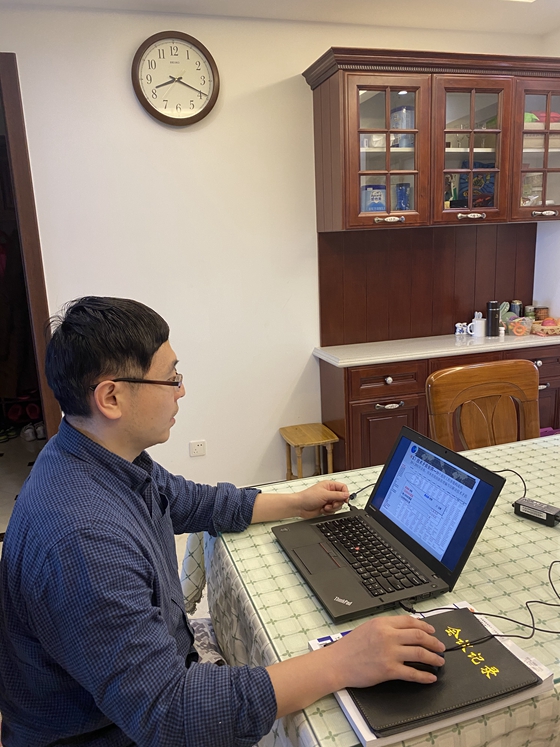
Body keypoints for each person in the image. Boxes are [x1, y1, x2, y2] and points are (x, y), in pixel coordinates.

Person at [0, 297, 445, 747]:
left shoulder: (95, 454)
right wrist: (342, 661)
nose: (181, 391)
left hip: (147, 688)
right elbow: (171, 714)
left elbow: (192, 501)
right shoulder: (84, 540)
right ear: (111, 398)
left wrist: (296, 502)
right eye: (171, 378)